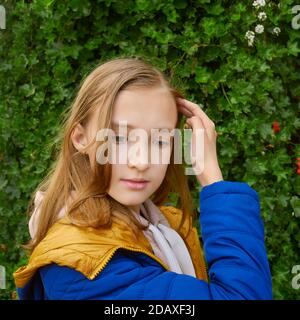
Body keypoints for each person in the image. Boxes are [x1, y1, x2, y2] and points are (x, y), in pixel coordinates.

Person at [13, 57, 272, 300]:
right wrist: (213, 179)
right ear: (80, 138)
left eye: (160, 140)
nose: (141, 161)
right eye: (120, 137)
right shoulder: (80, 263)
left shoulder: (165, 224)